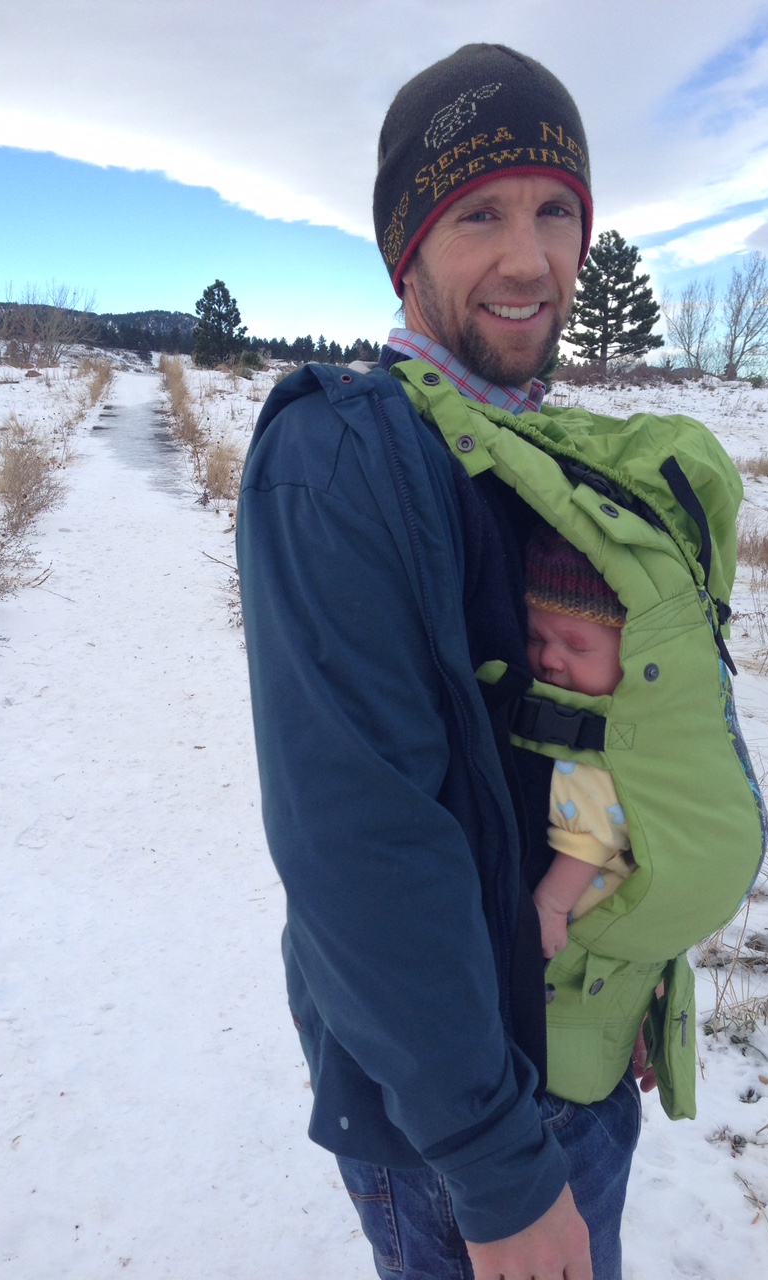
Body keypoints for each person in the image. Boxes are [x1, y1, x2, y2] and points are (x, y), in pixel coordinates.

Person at [239, 44, 656, 1280]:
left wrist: (618, 966)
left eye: (556, 211)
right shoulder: (344, 459)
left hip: (574, 1060)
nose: (528, 258)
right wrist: (493, 1161)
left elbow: (584, 746)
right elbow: (362, 846)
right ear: (405, 250)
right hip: (463, 1129)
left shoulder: (546, 461)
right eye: (479, 213)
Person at [523, 524, 637, 961]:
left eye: (576, 646)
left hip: (583, 923)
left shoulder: (602, 747)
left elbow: (591, 838)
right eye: (537, 638)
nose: (549, 658)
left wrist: (551, 906)